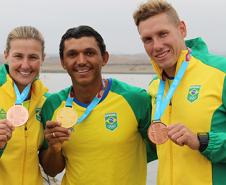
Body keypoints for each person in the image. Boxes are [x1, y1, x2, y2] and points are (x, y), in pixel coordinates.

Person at [39, 25, 157, 185]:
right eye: (72, 54)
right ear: (63, 62)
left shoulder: (135, 99)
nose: (81, 61)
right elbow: (52, 170)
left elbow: (159, 149)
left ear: (104, 58)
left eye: (89, 53)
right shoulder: (52, 105)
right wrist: (54, 149)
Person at [133, 0, 226, 185]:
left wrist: (202, 141)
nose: (157, 45)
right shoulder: (155, 86)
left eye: (163, 34)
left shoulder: (220, 72)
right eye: (148, 39)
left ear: (181, 29)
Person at [0, 26, 49, 185]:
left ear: (43, 58)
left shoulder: (46, 101)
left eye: (33, 57)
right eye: (18, 56)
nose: (25, 65)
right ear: (6, 55)